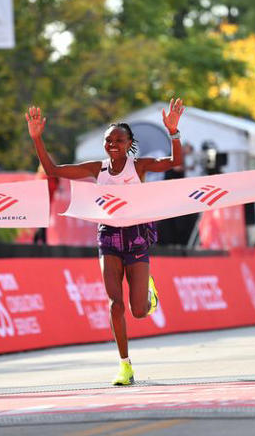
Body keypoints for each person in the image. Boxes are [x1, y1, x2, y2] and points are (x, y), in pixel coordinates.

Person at [26, 98, 184, 385]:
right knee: (115, 304)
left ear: (129, 143)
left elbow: (175, 162)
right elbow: (53, 170)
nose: (113, 144)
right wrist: (37, 139)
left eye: (119, 140)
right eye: (108, 140)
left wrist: (173, 132)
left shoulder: (140, 167)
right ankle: (125, 366)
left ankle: (148, 295)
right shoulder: (96, 169)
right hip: (108, 236)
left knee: (137, 311)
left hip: (136, 236)